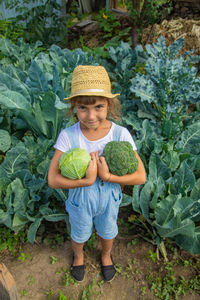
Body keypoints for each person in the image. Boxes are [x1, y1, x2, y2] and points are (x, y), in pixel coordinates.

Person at [48, 65, 146, 282]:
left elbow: (141, 176)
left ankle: (105, 255)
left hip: (109, 199)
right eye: (83, 108)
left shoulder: (120, 134)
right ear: (74, 107)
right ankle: (79, 256)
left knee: (108, 232)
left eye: (99, 107)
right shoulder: (68, 136)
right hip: (79, 200)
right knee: (79, 233)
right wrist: (87, 180)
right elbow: (53, 179)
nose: (91, 116)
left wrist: (108, 177)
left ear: (109, 105)